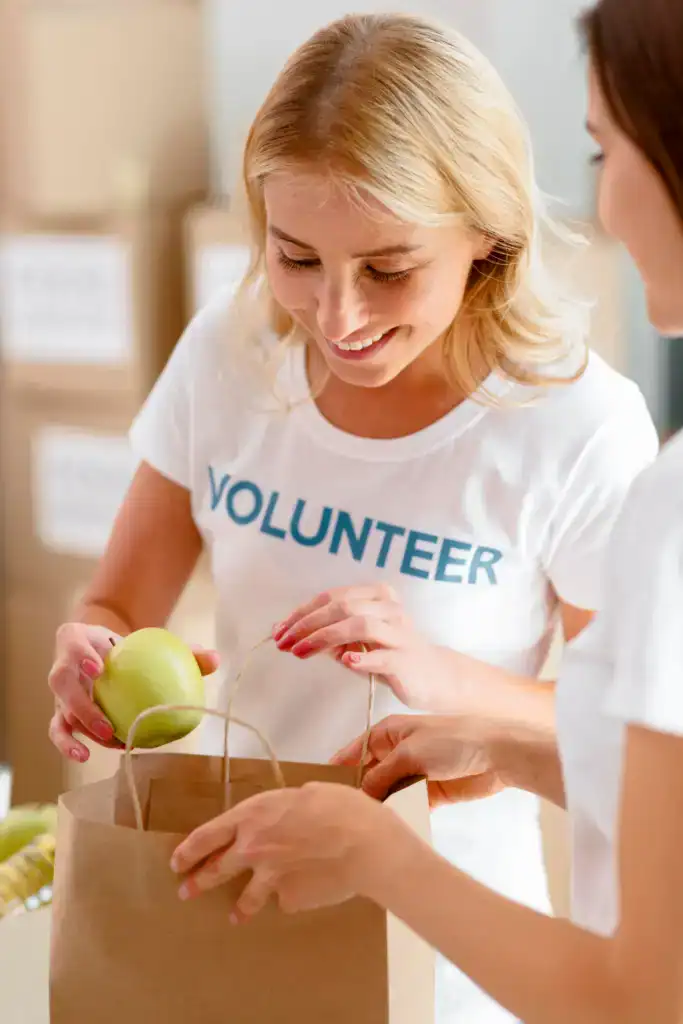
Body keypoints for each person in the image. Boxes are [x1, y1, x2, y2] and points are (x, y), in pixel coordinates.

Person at [48, 13, 658, 1024]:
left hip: (453, 954)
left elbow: (627, 747)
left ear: (485, 235)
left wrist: (443, 676)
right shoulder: (227, 357)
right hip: (234, 913)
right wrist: (94, 657)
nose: (336, 318)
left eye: (386, 268)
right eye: (295, 258)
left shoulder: (576, 424)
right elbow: (117, 598)